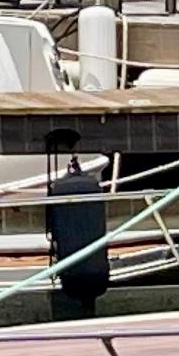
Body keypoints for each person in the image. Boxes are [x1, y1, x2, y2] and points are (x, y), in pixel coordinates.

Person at [42, 129, 112, 321]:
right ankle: (86, 310)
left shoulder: (60, 188)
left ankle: (82, 311)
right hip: (92, 271)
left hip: (75, 272)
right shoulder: (90, 186)